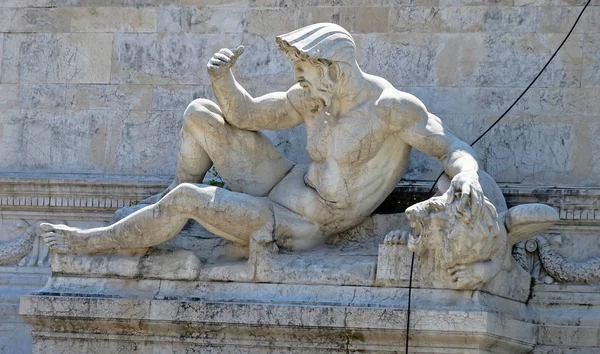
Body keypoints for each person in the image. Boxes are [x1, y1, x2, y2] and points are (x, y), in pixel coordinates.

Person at [39, 23, 484, 254]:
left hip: (305, 223)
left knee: (190, 201)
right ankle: (161, 206)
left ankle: (90, 242)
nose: (297, 78)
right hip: (280, 183)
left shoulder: (391, 109)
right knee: (201, 114)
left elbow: (453, 148)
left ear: (332, 68)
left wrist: (467, 178)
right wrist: (222, 78)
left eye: (302, 69)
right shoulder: (313, 98)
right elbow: (245, 114)